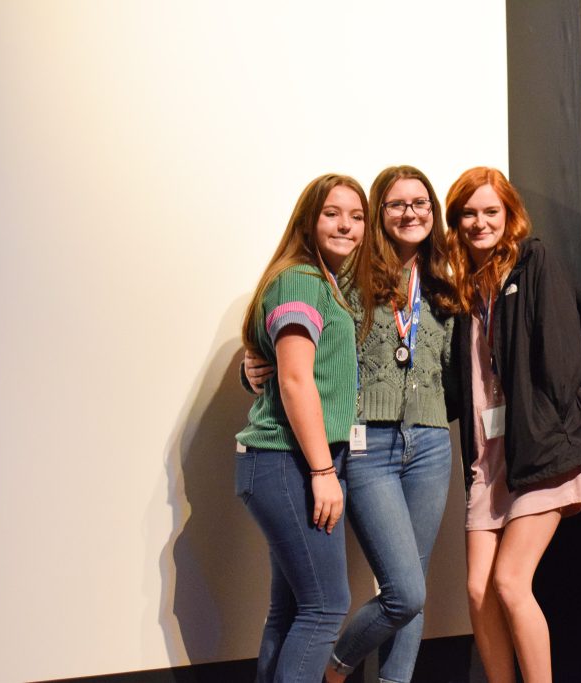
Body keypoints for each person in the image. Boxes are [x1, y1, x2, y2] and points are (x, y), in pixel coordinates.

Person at [248, 165, 459, 683]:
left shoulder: (444, 283)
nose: (410, 213)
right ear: (378, 215)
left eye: (421, 203)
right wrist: (253, 361)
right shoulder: (347, 273)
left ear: (433, 213)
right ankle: (335, 668)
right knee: (398, 589)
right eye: (395, 204)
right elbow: (296, 332)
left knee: (415, 589)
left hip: (432, 441)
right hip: (367, 443)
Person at [444, 167, 581, 683]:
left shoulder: (532, 260)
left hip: (539, 448)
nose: (480, 223)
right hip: (487, 457)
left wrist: (544, 419)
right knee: (478, 589)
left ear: (509, 215)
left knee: (511, 582)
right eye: (470, 213)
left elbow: (564, 355)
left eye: (490, 211)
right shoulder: (462, 288)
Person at [234, 173, 366, 682]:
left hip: (279, 464)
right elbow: (293, 380)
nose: (346, 226)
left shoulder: (321, 281)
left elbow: (281, 370)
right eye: (333, 213)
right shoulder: (301, 280)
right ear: (308, 219)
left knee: (290, 612)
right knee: (326, 607)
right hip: (287, 462)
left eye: (356, 217)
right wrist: (321, 470)